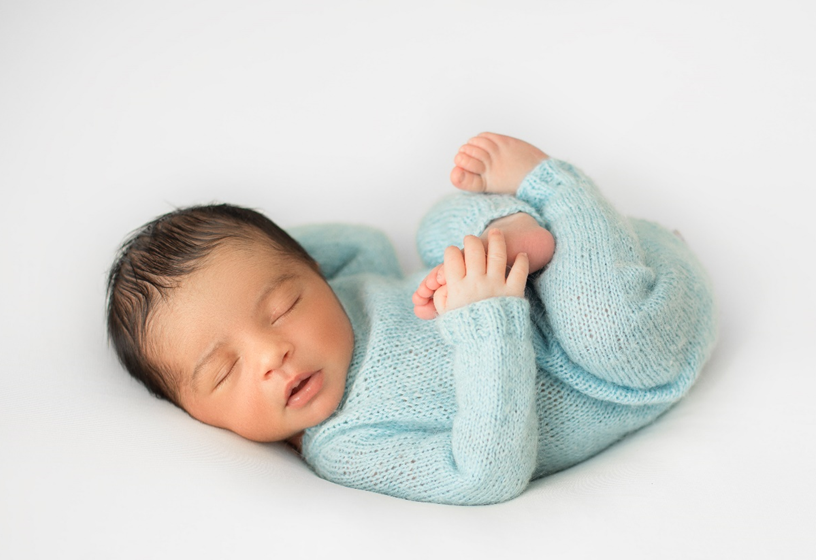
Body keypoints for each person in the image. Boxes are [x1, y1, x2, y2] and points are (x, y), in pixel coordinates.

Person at [106, 133, 717, 505]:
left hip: (579, 267)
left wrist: (263, 251)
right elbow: (485, 475)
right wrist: (487, 323)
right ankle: (554, 187)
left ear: (311, 270)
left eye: (281, 306)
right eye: (224, 371)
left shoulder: (340, 290)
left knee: (434, 227)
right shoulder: (347, 445)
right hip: (619, 359)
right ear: (197, 418)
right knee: (603, 330)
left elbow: (362, 243)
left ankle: (516, 236)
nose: (272, 355)